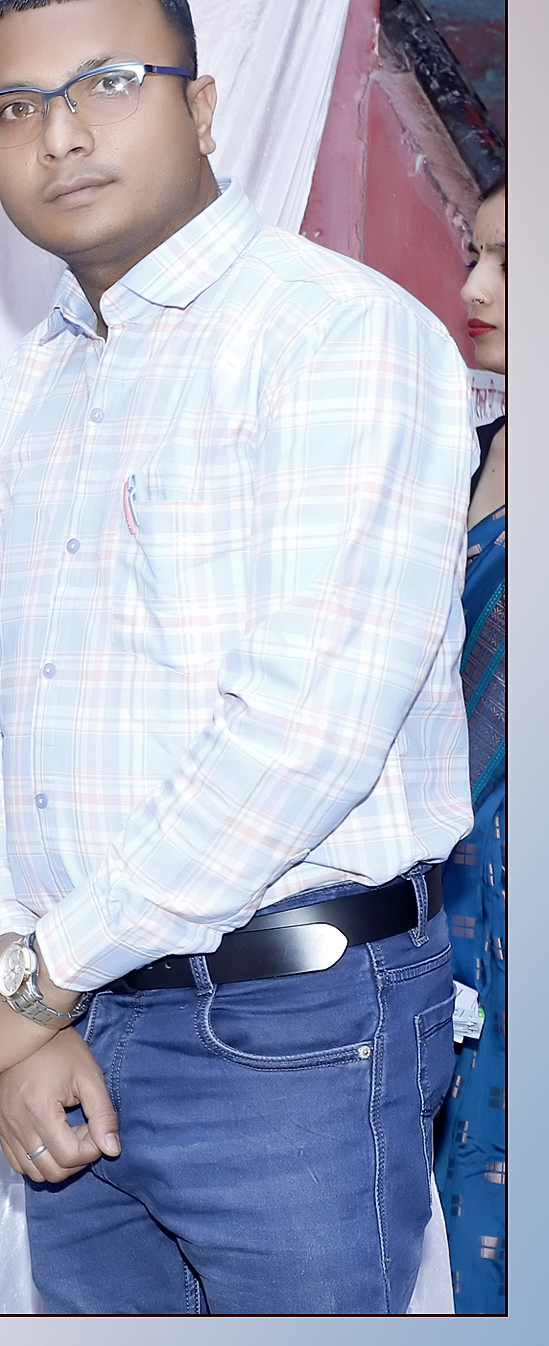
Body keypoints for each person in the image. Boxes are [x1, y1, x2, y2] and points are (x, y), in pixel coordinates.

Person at [0, 0, 472, 1314]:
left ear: (204, 104)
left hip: (292, 1033)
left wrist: (41, 974)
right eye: (15, 108)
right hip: (76, 1038)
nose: (61, 134)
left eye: (109, 84)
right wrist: (7, 979)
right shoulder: (27, 395)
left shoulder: (336, 338)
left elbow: (306, 733)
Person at [436, 174, 505, 1313]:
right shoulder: (461, 448)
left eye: (512, 262)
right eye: (475, 256)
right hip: (435, 882)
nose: (476, 289)